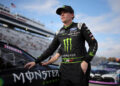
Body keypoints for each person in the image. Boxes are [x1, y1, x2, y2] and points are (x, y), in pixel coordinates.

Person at [24, 5, 98, 86]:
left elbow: (94, 43)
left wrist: (86, 61)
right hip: (64, 70)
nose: (62, 15)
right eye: (60, 13)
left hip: (79, 68)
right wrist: (36, 61)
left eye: (65, 12)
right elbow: (50, 49)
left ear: (72, 15)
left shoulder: (80, 26)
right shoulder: (59, 32)